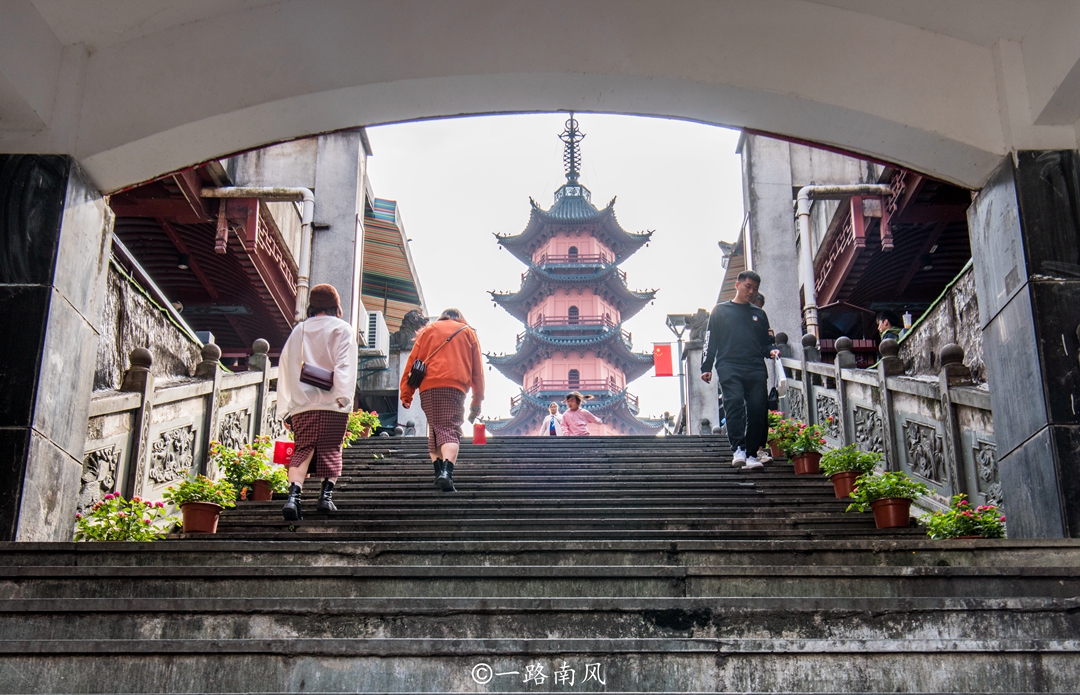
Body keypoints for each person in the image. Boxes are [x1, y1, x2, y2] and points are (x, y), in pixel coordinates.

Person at [277, 283, 359, 520]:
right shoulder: (343, 329)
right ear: (336, 306)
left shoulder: (299, 330)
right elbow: (344, 365)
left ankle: (294, 497)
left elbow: (288, 365)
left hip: (304, 403)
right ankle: (326, 497)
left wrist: (288, 407)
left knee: (303, 450)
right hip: (333, 402)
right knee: (332, 449)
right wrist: (343, 396)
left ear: (312, 306)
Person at [701, 270, 780, 469]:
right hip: (729, 364)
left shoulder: (759, 314)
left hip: (755, 367)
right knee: (734, 402)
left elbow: (765, 344)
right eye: (748, 287)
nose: (751, 292)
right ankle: (738, 449)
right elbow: (710, 340)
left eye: (755, 289)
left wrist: (772, 350)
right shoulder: (719, 311)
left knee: (757, 409)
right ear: (737, 285)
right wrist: (706, 366)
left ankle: (752, 453)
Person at [399, 308, 484, 492]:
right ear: (460, 318)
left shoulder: (429, 330)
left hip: (428, 387)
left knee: (436, 430)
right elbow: (477, 371)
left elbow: (412, 362)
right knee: (451, 430)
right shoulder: (467, 332)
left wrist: (407, 393)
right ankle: (447, 473)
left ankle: (439, 473)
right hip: (455, 386)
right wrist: (477, 400)